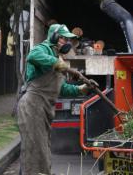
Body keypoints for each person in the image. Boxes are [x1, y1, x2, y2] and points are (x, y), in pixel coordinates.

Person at [17, 24, 95, 175]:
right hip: (32, 107)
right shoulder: (43, 49)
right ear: (53, 37)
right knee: (35, 152)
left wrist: (81, 89)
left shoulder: (57, 57)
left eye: (68, 40)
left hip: (43, 110)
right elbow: (32, 57)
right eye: (63, 38)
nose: (67, 42)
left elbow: (62, 88)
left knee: (41, 151)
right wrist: (59, 64)